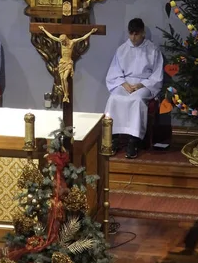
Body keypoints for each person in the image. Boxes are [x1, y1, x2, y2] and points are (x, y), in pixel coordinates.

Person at [105, 18, 164, 159]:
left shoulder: (152, 49)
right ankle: (113, 138)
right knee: (114, 98)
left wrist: (140, 85)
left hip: (144, 84)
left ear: (142, 33)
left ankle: (134, 140)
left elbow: (156, 75)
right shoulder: (122, 49)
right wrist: (124, 84)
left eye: (136, 34)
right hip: (125, 83)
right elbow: (115, 72)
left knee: (137, 101)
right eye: (131, 34)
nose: (133, 37)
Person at [38, 26, 98, 103]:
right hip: (62, 62)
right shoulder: (61, 42)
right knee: (62, 79)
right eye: (61, 41)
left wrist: (91, 32)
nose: (62, 43)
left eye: (63, 41)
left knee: (65, 78)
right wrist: (44, 29)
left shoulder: (72, 42)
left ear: (66, 39)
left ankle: (66, 94)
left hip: (68, 62)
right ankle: (65, 95)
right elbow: (52, 37)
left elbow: (82, 38)